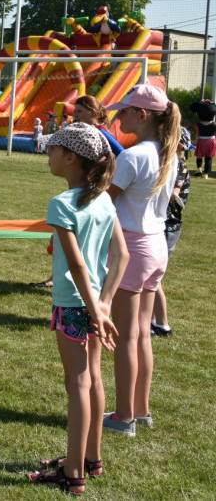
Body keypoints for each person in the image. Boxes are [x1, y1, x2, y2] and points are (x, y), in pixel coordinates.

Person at [27, 123, 128, 494]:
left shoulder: (62, 203)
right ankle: (90, 459)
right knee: (94, 379)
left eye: (52, 148)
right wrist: (102, 305)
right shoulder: (103, 198)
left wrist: (93, 307)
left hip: (73, 303)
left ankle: (73, 473)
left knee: (78, 384)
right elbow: (122, 256)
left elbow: (77, 266)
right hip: (95, 302)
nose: (47, 153)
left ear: (70, 157)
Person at [100, 84, 181, 437]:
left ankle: (123, 417)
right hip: (155, 246)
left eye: (126, 111)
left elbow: (103, 203)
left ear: (142, 115)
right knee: (141, 336)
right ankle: (140, 410)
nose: (119, 117)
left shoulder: (134, 157)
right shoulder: (168, 153)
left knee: (127, 338)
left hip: (133, 248)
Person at [152, 126, 192, 338]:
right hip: (162, 225)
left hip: (168, 227)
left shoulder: (179, 166)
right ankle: (150, 320)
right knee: (149, 276)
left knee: (153, 277)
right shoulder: (169, 165)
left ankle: (162, 324)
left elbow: (172, 195)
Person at [189, 99, 216, 177]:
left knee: (199, 156)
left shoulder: (198, 125)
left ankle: (199, 169)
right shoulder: (214, 124)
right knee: (208, 157)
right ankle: (206, 173)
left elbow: (198, 133)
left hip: (201, 140)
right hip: (211, 141)